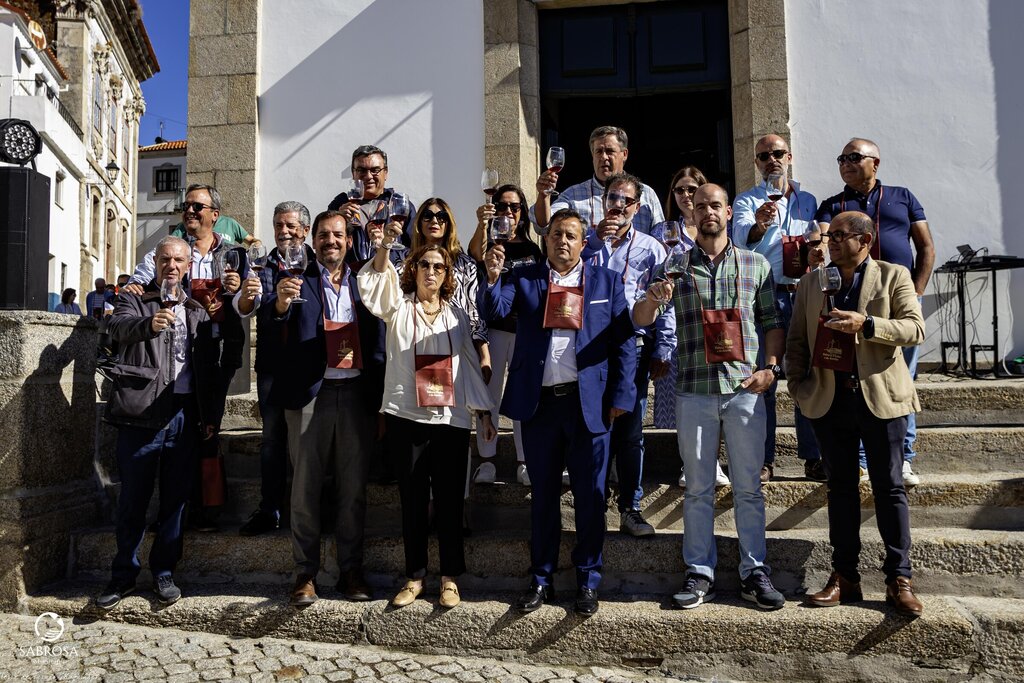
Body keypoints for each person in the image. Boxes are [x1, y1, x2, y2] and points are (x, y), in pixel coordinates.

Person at [634, 184, 785, 611]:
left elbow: (772, 322)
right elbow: (641, 318)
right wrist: (652, 299)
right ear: (692, 214)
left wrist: (771, 369)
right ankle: (699, 572)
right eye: (700, 206)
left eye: (715, 205)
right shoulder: (675, 265)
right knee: (698, 489)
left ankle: (754, 571)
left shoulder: (756, 264)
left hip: (744, 391)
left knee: (748, 488)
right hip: (694, 392)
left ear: (728, 211)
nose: (707, 212)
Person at [483, 208, 637, 616]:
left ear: (584, 243)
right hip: (540, 405)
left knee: (591, 496)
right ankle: (541, 578)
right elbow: (495, 311)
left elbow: (623, 342)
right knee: (543, 496)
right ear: (546, 240)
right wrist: (493, 277)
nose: (562, 241)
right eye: (555, 234)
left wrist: (622, 395)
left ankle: (588, 579)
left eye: (570, 235)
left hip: (589, 405)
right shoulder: (525, 278)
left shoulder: (606, 281)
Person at [786, 211, 925, 617]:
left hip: (880, 399)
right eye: (829, 235)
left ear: (865, 240)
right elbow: (797, 339)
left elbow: (914, 329)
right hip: (830, 400)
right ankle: (845, 576)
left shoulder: (893, 275)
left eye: (840, 235)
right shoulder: (811, 283)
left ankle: (899, 578)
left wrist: (867, 325)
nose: (830, 241)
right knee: (841, 489)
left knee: (889, 488)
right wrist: (798, 386)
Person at [358, 233, 496, 609]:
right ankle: (415, 576)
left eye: (439, 266)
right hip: (407, 414)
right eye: (424, 265)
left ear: (447, 274)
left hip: (450, 417)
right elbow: (374, 287)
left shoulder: (457, 315)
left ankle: (450, 578)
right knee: (413, 499)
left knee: (450, 500)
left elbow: (469, 366)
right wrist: (383, 248)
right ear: (413, 270)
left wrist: (483, 412)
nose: (431, 272)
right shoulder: (398, 307)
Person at [259, 210, 386, 607]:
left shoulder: (364, 280)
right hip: (310, 395)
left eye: (338, 235)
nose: (331, 241)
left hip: (356, 392)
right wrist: (281, 305)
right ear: (313, 241)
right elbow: (271, 321)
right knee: (304, 487)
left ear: (349, 240)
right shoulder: (296, 279)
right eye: (324, 235)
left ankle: (351, 570)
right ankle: (306, 572)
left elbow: (379, 335)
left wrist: (381, 396)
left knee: (353, 487)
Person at [96, 236, 218, 609]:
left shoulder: (196, 310)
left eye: (179, 260)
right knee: (133, 499)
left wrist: (209, 415)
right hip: (141, 412)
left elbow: (208, 368)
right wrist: (149, 324)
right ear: (156, 263)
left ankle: (164, 571)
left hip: (184, 414)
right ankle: (123, 575)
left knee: (176, 501)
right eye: (165, 259)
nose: (172, 266)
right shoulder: (135, 299)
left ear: (188, 266)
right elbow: (116, 328)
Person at [127, 183, 253, 531]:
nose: (191, 211)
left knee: (208, 426)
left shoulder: (234, 254)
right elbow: (144, 275)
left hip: (217, 350)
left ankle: (207, 508)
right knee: (178, 431)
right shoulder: (172, 249)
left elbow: (250, 301)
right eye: (187, 205)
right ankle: (176, 510)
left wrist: (240, 291)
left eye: (198, 206)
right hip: (177, 353)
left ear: (215, 215)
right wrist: (134, 286)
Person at [815, 138, 934, 486]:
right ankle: (862, 460)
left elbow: (926, 246)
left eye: (854, 157)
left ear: (875, 163)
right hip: (851, 299)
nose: (846, 163)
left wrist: (917, 292)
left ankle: (904, 457)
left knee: (901, 378)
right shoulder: (833, 205)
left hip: (897, 299)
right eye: (841, 158)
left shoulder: (902, 196)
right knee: (855, 378)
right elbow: (821, 240)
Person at [588, 172, 676, 536]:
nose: (618, 205)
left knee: (630, 430)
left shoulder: (652, 248)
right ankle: (592, 506)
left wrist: (664, 346)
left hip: (634, 347)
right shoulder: (585, 242)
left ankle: (630, 508)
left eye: (626, 200)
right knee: (592, 426)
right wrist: (594, 241)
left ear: (637, 208)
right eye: (613, 198)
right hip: (590, 347)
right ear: (603, 201)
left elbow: (666, 300)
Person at [732, 134, 823, 483]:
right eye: (764, 156)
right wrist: (760, 225)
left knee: (806, 376)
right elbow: (740, 240)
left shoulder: (808, 200)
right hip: (765, 295)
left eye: (778, 153)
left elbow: (816, 238)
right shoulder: (747, 200)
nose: (772, 160)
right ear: (756, 163)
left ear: (790, 157)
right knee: (763, 379)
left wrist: (816, 250)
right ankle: (763, 459)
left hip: (801, 293)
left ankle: (813, 457)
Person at [238, 201, 312, 536]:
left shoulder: (316, 264)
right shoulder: (261, 265)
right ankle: (270, 509)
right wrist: (258, 298)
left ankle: (308, 508)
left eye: (291, 226)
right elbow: (251, 307)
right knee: (271, 439)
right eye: (278, 225)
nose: (284, 232)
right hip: (271, 365)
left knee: (308, 441)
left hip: (308, 365)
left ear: (305, 230)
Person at [469, 184, 543, 485]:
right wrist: (481, 224)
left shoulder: (533, 249)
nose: (508, 212)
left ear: (522, 212)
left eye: (514, 206)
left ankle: (524, 461)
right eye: (502, 205)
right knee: (488, 394)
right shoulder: (488, 244)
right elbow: (474, 254)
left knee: (522, 394)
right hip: (495, 330)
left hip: (524, 331)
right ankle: (487, 460)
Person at [531, 126, 664, 234]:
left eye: (610, 151)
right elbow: (543, 226)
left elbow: (661, 237)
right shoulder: (573, 195)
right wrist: (544, 195)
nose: (604, 157)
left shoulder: (647, 194)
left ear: (624, 154)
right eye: (599, 152)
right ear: (592, 155)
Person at [328, 145, 417, 262]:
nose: (368, 176)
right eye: (361, 170)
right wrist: (338, 221)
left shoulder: (400, 206)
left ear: (385, 173)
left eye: (375, 170)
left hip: (389, 271)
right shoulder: (339, 205)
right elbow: (326, 246)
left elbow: (415, 250)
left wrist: (387, 246)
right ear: (353, 173)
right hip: (351, 273)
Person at [171, 214, 258, 246]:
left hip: (225, 272)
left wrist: (256, 244)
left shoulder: (229, 223)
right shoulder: (187, 225)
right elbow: (170, 244)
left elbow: (251, 240)